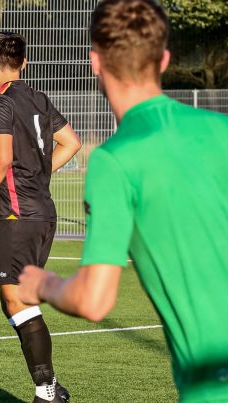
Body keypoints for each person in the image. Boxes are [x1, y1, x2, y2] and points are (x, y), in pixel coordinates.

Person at [18, 1, 228, 401]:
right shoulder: (223, 128)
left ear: (94, 61)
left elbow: (94, 299)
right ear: (164, 59)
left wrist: (42, 283)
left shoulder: (116, 161)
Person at [0, 32, 81, 402]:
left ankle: (47, 390)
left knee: (16, 300)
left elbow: (2, 157)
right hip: (43, 212)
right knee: (16, 298)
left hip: (16, 215)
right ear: (23, 63)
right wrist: (39, 174)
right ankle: (49, 387)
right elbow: (72, 143)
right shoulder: (38, 98)